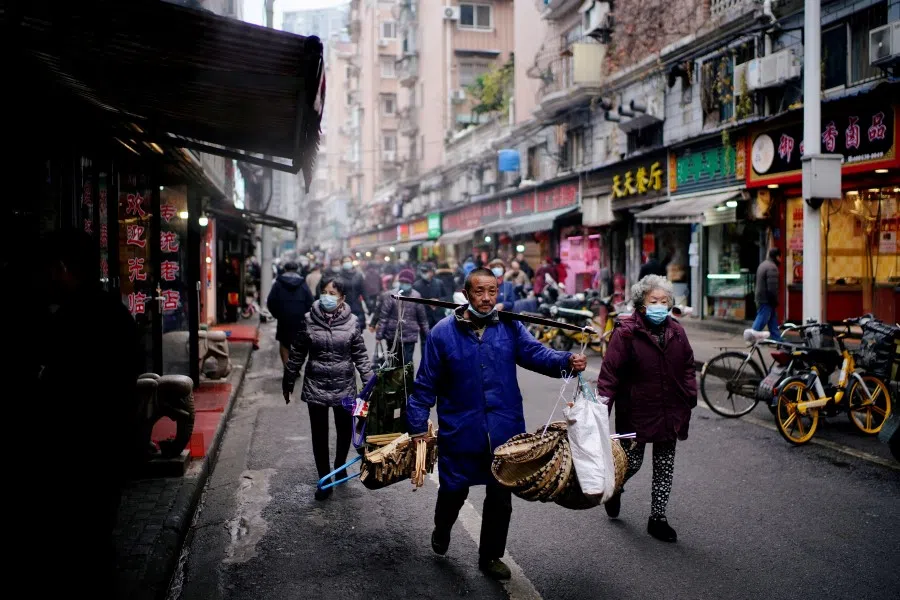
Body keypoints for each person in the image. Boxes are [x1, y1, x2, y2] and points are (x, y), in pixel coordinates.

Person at [407, 268, 587, 580]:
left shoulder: (510, 328)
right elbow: (425, 385)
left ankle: (490, 556)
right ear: (466, 293)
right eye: (480, 291)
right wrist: (418, 425)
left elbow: (536, 354)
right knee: (453, 490)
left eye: (492, 291)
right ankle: (442, 527)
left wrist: (565, 361)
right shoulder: (441, 334)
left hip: (505, 431)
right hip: (461, 430)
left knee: (501, 499)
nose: (487, 298)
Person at [33, 229, 143, 596]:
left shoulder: (68, 321)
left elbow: (58, 390)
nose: (49, 278)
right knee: (98, 533)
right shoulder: (117, 314)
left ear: (64, 268)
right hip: (108, 447)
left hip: (76, 451)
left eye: (52, 269)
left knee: (79, 541)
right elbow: (132, 375)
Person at [595, 274, 697, 543]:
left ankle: (658, 518)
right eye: (654, 300)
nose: (660, 305)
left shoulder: (677, 331)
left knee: (665, 465)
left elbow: (688, 365)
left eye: (664, 301)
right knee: (633, 461)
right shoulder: (626, 333)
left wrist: (690, 394)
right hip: (636, 410)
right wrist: (600, 409)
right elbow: (609, 375)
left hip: (670, 409)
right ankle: (616, 488)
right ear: (641, 304)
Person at [283, 277, 374, 501]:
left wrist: (370, 382)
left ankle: (339, 466)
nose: (327, 297)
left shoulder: (352, 322)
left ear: (342, 298)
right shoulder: (308, 320)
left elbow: (360, 355)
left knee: (344, 432)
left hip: (344, 386)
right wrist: (289, 378)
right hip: (316, 385)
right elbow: (297, 352)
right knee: (319, 435)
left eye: (332, 293)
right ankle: (324, 480)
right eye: (324, 292)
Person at [375, 269, 430, 365]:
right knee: (393, 363)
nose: (404, 284)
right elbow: (384, 317)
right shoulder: (391, 295)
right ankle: (394, 380)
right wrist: (379, 336)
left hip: (409, 336)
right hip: (393, 335)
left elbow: (423, 319)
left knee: (407, 364)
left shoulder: (416, 296)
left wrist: (428, 336)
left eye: (407, 282)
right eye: (402, 281)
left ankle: (406, 380)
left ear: (411, 283)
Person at [266, 261, 314, 365]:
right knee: (299, 344)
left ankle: (287, 368)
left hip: (283, 319)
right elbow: (310, 302)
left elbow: (271, 301)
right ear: (297, 270)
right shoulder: (303, 284)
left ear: (285, 270)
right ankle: (295, 368)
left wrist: (277, 315)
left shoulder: (278, 284)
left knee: (284, 343)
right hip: (300, 319)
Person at [753, 248, 783, 341]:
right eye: (780, 257)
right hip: (766, 299)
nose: (781, 259)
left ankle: (778, 340)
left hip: (761, 297)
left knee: (773, 321)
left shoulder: (763, 265)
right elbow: (772, 288)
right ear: (777, 257)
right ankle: (751, 336)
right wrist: (774, 300)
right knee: (762, 319)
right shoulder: (772, 268)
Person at [413, 263, 448, 328]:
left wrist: (438, 301)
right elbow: (415, 303)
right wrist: (428, 303)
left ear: (432, 272)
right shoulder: (416, 285)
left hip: (439, 317)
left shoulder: (439, 283)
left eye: (426, 271)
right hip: (424, 319)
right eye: (423, 271)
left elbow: (445, 297)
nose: (424, 273)